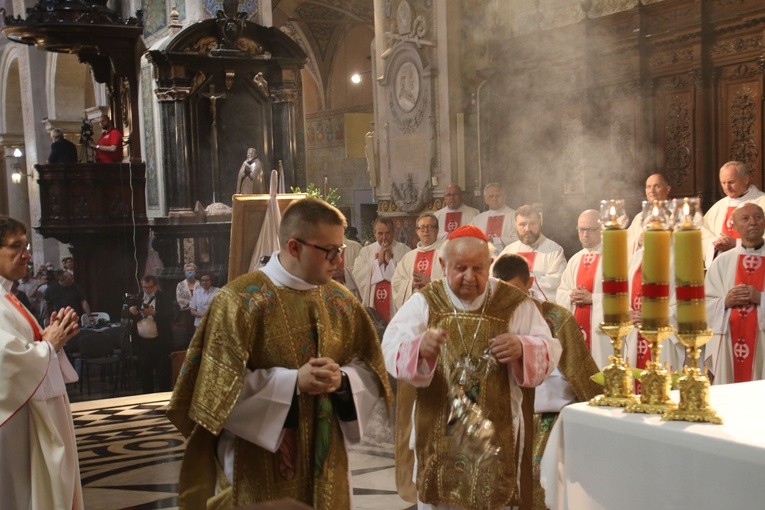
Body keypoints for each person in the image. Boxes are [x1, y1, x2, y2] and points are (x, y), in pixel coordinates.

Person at [167, 197, 392, 509]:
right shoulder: (239, 302)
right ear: (294, 247)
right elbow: (213, 393)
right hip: (257, 461)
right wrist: (292, 383)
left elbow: (370, 367)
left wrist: (342, 381)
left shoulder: (340, 301)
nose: (338, 261)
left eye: (340, 250)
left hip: (328, 459)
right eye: (329, 251)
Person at [382, 225, 561, 510]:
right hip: (438, 438)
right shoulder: (426, 302)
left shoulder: (512, 303)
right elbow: (391, 348)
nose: (469, 277)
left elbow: (550, 348)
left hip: (494, 440)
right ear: (443, 265)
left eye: (478, 269)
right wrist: (419, 349)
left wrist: (522, 347)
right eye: (460, 268)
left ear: (490, 265)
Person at [492, 253, 600, 510]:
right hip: (507, 416)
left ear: (529, 284)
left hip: (549, 419)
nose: (510, 298)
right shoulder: (492, 319)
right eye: (502, 291)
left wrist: (599, 407)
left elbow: (579, 369)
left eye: (515, 290)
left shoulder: (557, 318)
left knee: (541, 483)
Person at [0, 215, 83, 509]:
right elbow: (6, 363)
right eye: (16, 246)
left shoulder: (8, 296)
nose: (27, 254)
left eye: (26, 245)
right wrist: (50, 344)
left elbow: (24, 348)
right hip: (12, 431)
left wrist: (50, 338)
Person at [705, 203, 765, 384]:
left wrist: (760, 298)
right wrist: (724, 302)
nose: (753, 222)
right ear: (735, 226)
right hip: (729, 342)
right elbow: (703, 305)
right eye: (745, 219)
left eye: (758, 217)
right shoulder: (722, 261)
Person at [557, 209, 610, 368]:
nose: (585, 234)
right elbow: (560, 292)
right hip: (578, 327)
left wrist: (592, 299)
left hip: (602, 335)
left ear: (602, 229)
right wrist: (571, 296)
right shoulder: (575, 259)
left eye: (591, 229)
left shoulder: (614, 257)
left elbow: (623, 297)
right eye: (581, 230)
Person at [497, 204, 567, 303]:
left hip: (541, 311)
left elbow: (555, 283)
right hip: (512, 308)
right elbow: (495, 279)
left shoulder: (555, 250)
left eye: (532, 223)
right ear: (515, 225)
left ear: (540, 222)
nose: (527, 229)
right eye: (522, 224)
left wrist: (517, 286)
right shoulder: (509, 251)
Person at [702, 161, 765, 267]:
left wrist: (737, 244)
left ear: (745, 180)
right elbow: (702, 232)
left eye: (731, 182)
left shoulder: (761, 202)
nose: (727, 187)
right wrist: (715, 243)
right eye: (723, 183)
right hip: (724, 265)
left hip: (754, 265)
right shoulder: (719, 206)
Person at [352, 217, 409, 325]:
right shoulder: (366, 251)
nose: (384, 237)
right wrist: (377, 262)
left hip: (394, 304)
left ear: (393, 232)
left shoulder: (404, 250)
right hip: (373, 302)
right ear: (374, 233)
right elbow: (357, 274)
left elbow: (406, 277)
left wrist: (390, 261)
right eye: (380, 233)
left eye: (388, 233)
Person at [128, 275, 173, 393]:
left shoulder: (164, 298)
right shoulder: (138, 298)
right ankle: (147, 399)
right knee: (145, 374)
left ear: (156, 286)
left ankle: (164, 401)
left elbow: (170, 317)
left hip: (160, 342)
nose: (147, 290)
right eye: (144, 287)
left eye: (149, 287)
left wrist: (154, 313)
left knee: (163, 374)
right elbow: (125, 315)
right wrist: (131, 311)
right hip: (143, 343)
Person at [392, 213, 445, 312]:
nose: (426, 231)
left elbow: (454, 282)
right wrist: (411, 284)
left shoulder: (446, 253)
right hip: (415, 310)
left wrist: (431, 281)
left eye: (430, 227)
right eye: (422, 227)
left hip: (437, 310)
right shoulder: (408, 257)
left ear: (437, 230)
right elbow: (396, 283)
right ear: (417, 231)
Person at [627, 173, 672, 254]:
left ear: (668, 189)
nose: (651, 191)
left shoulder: (678, 215)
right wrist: (639, 241)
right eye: (648, 187)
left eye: (657, 186)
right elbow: (625, 243)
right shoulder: (639, 217)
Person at [471, 182, 518, 251]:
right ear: (485, 200)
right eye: (491, 196)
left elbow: (518, 239)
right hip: (484, 258)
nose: (494, 199)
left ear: (504, 197)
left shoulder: (514, 216)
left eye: (498, 196)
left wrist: (497, 240)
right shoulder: (478, 219)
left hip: (506, 257)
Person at [176, 262, 198, 344]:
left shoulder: (199, 284)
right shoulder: (180, 285)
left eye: (191, 270)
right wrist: (192, 303)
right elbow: (180, 299)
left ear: (195, 272)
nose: (189, 272)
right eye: (187, 270)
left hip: (198, 313)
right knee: (187, 336)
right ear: (185, 272)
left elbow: (202, 298)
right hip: (186, 313)